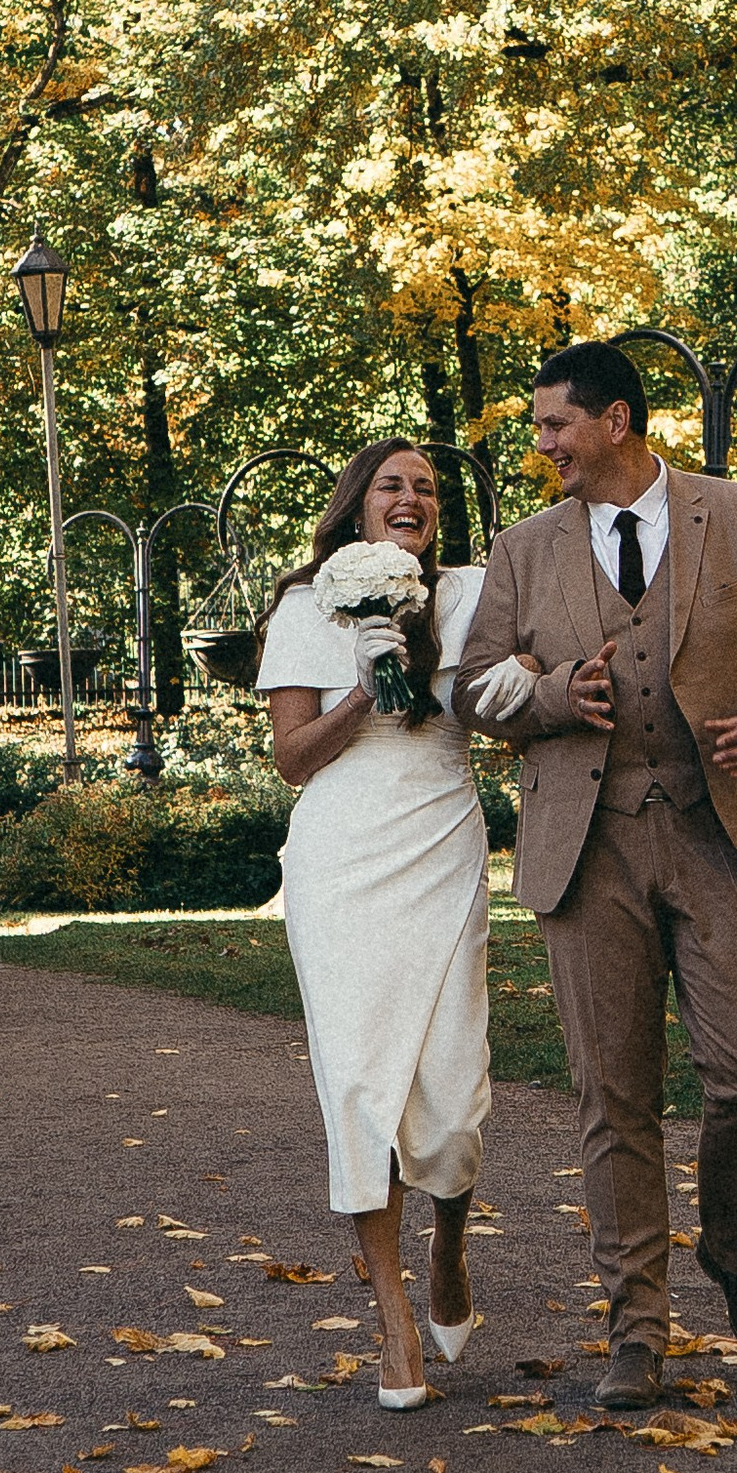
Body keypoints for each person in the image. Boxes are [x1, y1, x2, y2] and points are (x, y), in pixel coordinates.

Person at [456, 341, 737, 1410]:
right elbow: (476, 686)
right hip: (590, 844)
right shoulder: (522, 549)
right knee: (610, 1094)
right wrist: (547, 702)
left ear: (614, 421)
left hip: (724, 835)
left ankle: (735, 1250)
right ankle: (637, 1330)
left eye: (552, 428)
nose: (541, 448)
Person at [256, 440, 490, 1409]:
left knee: (450, 1090)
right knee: (361, 1083)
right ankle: (393, 1321)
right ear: (357, 506)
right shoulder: (302, 607)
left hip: (440, 839)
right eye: (392, 485)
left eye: (427, 488)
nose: (412, 498)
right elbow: (294, 759)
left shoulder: (471, 593)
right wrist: (364, 681)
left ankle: (449, 1255)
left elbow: (508, 690)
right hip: (342, 857)